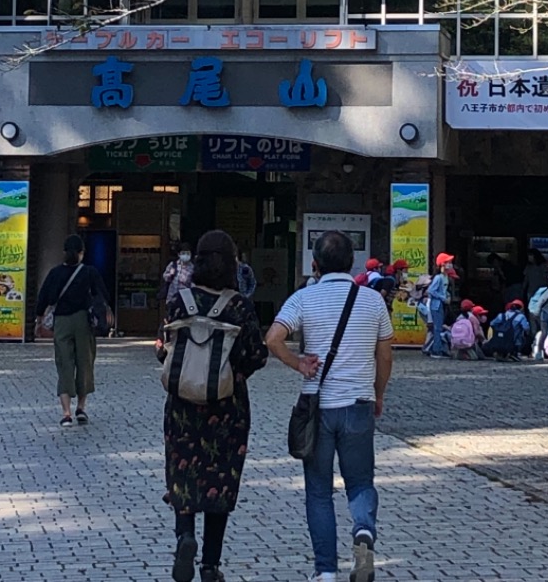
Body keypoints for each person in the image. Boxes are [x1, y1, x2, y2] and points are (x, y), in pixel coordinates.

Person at [266, 230, 394, 582]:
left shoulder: (303, 298)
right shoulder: (372, 301)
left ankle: (324, 571)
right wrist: (378, 393)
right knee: (360, 482)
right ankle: (364, 533)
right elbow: (385, 355)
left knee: (319, 491)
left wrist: (298, 363)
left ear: (315, 263)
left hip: (318, 406)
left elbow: (273, 338)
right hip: (358, 403)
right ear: (351, 263)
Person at [163, 230, 267, 582]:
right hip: (227, 407)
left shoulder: (181, 302)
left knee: (183, 474)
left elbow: (168, 347)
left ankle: (184, 536)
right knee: (218, 482)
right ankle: (210, 564)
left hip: (181, 406)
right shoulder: (239, 305)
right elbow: (256, 355)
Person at [35, 233, 109, 426]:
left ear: (64, 252)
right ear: (82, 253)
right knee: (84, 362)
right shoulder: (89, 272)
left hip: (61, 322)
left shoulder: (55, 273)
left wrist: (39, 318)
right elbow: (103, 295)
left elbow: (44, 298)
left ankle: (66, 412)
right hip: (83, 321)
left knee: (64, 363)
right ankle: (81, 408)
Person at [426, 253, 455, 358]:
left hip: (440, 305)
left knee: (438, 328)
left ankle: (435, 348)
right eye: (448, 262)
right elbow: (431, 290)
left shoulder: (445, 277)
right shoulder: (439, 278)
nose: (450, 264)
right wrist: (444, 298)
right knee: (437, 328)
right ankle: (436, 350)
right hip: (436, 306)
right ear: (442, 264)